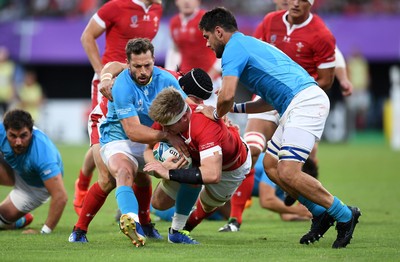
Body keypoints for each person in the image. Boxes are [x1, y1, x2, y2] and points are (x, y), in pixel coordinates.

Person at [196, 7, 361, 249]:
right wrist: (234, 109)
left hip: (305, 102)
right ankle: (319, 211)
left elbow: (226, 94)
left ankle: (345, 214)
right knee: (272, 167)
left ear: (218, 32)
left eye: (207, 37)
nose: (208, 44)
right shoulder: (248, 44)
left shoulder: (232, 50)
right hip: (292, 104)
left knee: (289, 171)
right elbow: (268, 100)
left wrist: (216, 113)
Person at [69, 38, 191, 247]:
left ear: (154, 61)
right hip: (118, 137)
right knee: (120, 174)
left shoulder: (168, 79)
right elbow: (133, 131)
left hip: (150, 136)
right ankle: (92, 227)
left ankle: (146, 224)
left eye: (147, 65)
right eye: (137, 66)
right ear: (128, 64)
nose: (143, 71)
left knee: (146, 178)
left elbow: (187, 110)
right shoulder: (122, 85)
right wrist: (166, 136)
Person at [73, 0, 163, 218]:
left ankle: (135, 211)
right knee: (100, 145)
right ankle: (83, 184)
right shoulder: (115, 6)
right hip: (109, 84)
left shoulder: (157, 9)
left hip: (136, 86)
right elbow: (87, 36)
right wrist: (100, 72)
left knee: (132, 149)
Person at [143, 87, 251, 244]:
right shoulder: (169, 114)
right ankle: (178, 229)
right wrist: (158, 167)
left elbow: (213, 175)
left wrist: (169, 174)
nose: (165, 131)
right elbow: (147, 148)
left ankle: (178, 230)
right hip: (197, 159)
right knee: (159, 203)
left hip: (231, 166)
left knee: (208, 205)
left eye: (169, 127)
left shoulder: (204, 125)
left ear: (184, 118)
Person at [0, 109, 67, 234]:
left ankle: (20, 220)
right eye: (13, 136)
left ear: (31, 132)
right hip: (14, 170)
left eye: (23, 136)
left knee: (3, 219)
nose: (18, 142)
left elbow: (60, 196)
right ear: (5, 131)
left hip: (35, 187)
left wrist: (44, 232)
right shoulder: (1, 131)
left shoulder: (43, 154)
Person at [0, 46, 16, 118]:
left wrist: (12, 93)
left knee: (6, 115)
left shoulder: (10, 66)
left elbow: (11, 80)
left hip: (6, 95)